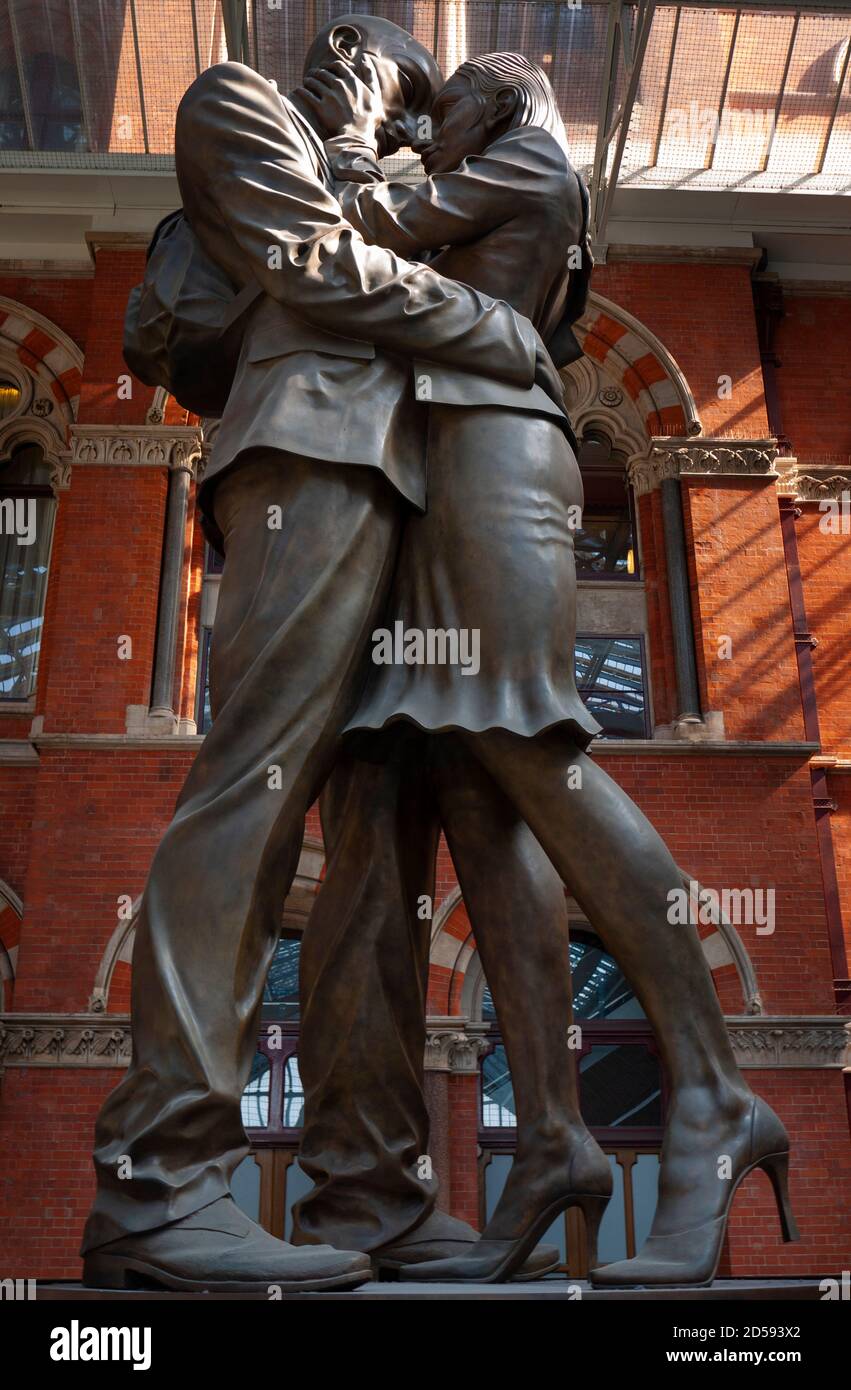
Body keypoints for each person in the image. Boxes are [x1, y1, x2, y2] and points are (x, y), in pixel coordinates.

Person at [293, 53, 797, 1286]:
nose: (434, 121)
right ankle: (559, 1142)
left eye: (447, 102)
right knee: (477, 783)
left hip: (493, 465)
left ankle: (717, 1095)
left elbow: (354, 222)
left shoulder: (524, 152)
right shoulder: (496, 172)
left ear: (500, 100)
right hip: (449, 465)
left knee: (528, 744)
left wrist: (362, 129)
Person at [80, 17, 563, 1294]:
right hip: (310, 459)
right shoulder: (235, 102)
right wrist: (488, 328)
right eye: (401, 88)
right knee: (252, 787)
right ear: (346, 56)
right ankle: (160, 1179)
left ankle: (369, 1189)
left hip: (412, 491)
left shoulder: (387, 181)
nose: (408, 125)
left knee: (381, 847)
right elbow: (312, 265)